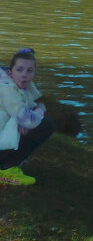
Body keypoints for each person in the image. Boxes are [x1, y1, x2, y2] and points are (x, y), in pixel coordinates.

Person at [0, 49, 54, 186]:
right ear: (10, 72)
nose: (24, 74)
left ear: (35, 73)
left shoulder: (20, 86)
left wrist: (32, 112)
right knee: (45, 125)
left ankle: (7, 163)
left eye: (29, 70)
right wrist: (40, 110)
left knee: (37, 123)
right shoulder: (8, 89)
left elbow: (29, 106)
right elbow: (28, 121)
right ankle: (6, 169)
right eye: (19, 70)